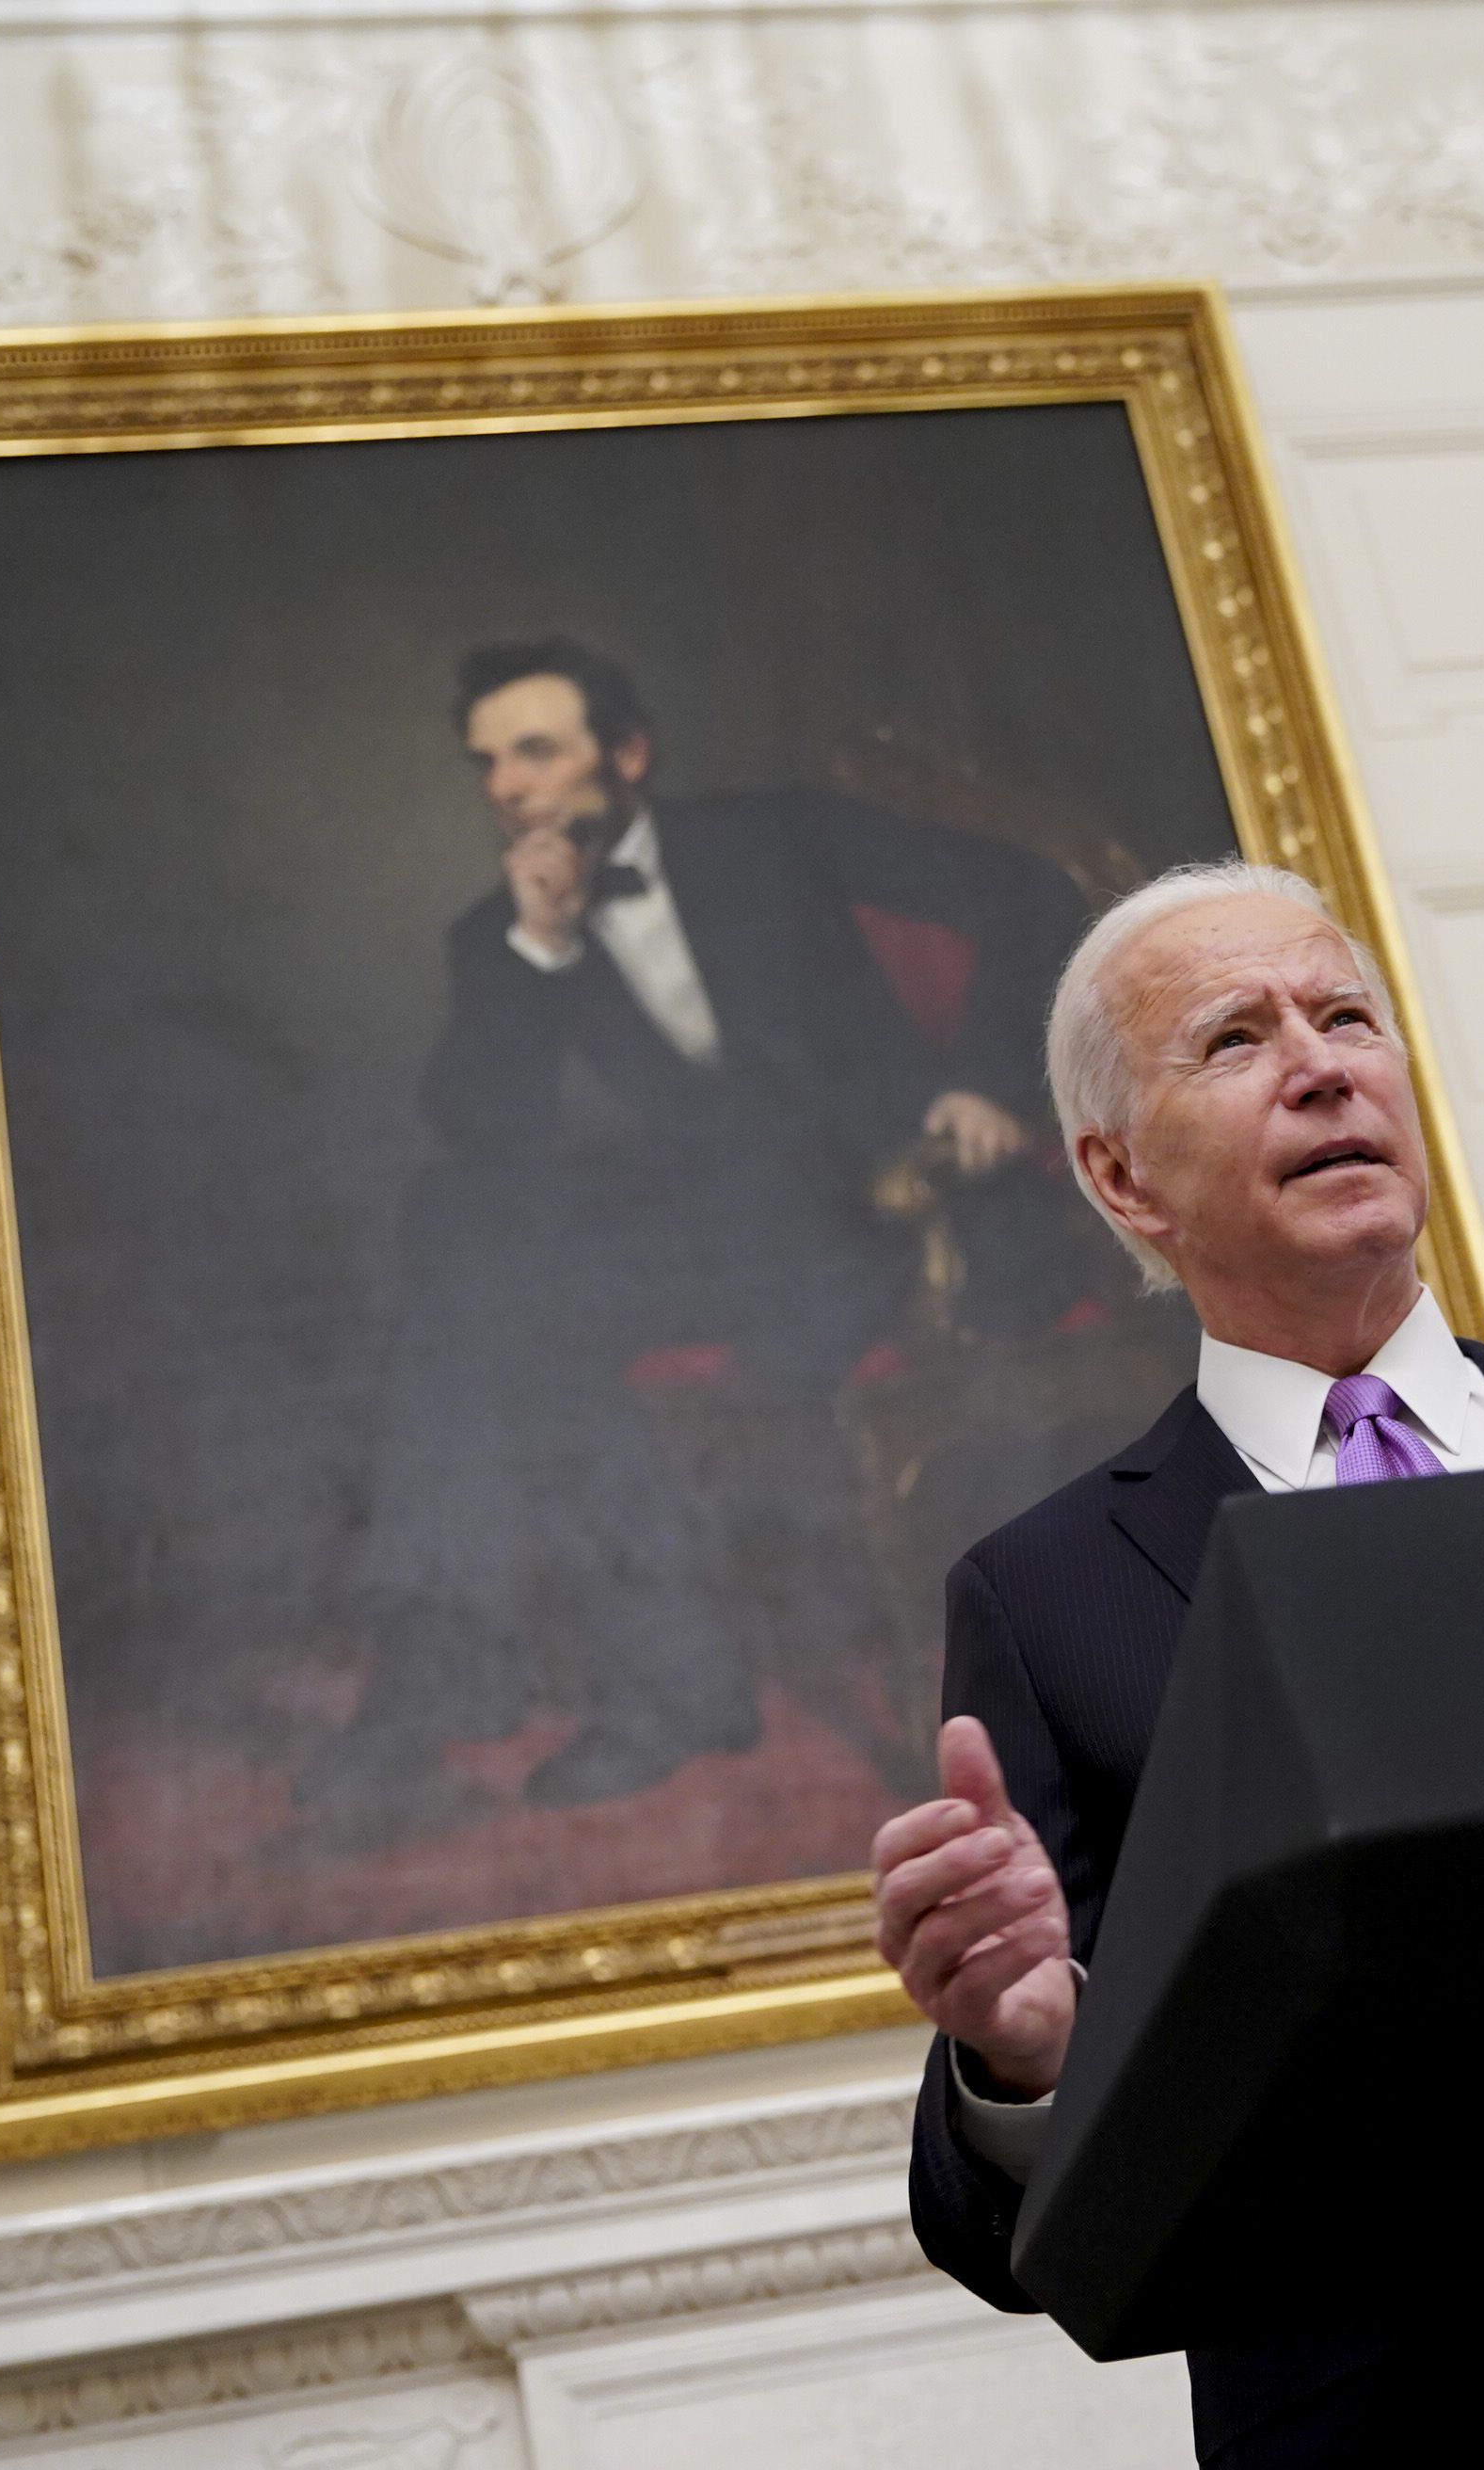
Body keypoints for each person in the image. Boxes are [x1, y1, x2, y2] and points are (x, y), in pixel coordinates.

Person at [870, 861, 1484, 2465]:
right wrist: (1025, 2051)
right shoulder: (1049, 1592)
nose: (1322, 1062)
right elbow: (996, 2228)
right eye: (1235, 1037)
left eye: (1346, 1014)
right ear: (1122, 1176)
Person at [315, 640, 1092, 1847]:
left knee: (497, 1307)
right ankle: (543, 1664)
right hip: (736, 1226)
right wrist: (544, 947)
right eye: (488, 764)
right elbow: (485, 1131)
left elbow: (1029, 893)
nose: (510, 786)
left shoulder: (773, 833)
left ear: (627, 753)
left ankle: (557, 1674)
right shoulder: (501, 931)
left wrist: (982, 1082)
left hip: (897, 1197)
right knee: (460, 1233)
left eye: (539, 748)